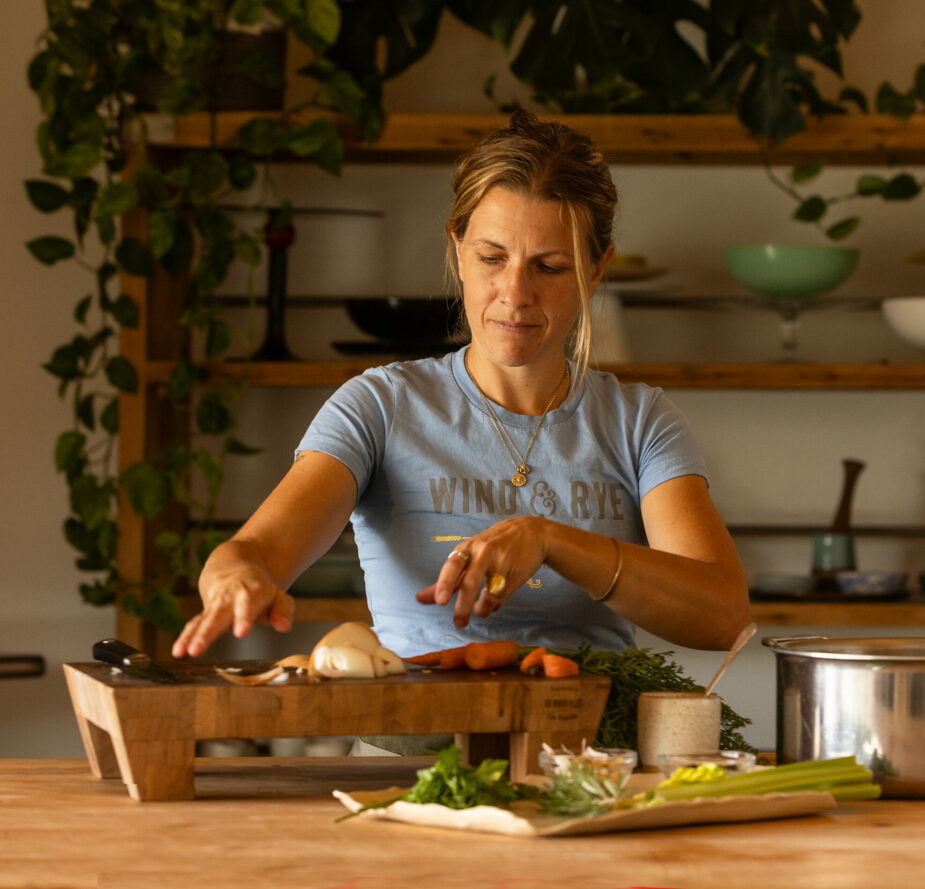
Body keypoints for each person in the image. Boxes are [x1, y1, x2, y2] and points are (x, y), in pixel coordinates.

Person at [171, 110, 750, 669]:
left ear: (596, 270)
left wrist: (551, 540)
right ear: (458, 249)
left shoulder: (640, 421)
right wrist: (234, 578)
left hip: (588, 755)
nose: (514, 292)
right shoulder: (379, 406)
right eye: (492, 257)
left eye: (549, 266)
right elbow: (256, 552)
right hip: (416, 747)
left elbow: (722, 614)